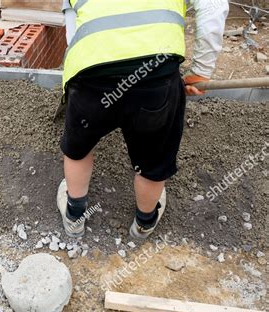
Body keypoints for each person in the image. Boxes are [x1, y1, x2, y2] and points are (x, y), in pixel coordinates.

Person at [57, 0, 229, 238]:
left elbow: (73, 31)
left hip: (91, 74)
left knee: (78, 148)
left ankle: (75, 217)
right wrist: (201, 69)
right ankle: (143, 224)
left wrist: (83, 72)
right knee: (153, 158)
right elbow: (213, 7)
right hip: (155, 76)